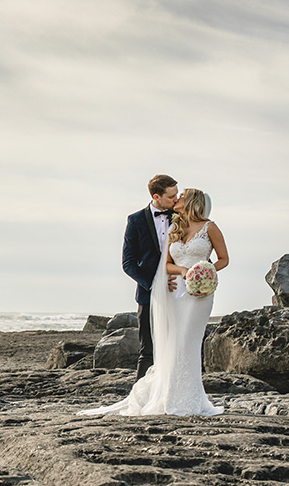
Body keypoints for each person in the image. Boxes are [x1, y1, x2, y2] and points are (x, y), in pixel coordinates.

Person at [82, 186, 229, 417]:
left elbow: (223, 259)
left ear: (192, 201)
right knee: (172, 344)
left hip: (199, 294)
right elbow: (166, 264)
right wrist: (181, 270)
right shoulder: (175, 226)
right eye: (174, 195)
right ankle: (169, 396)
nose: (177, 199)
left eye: (181, 196)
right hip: (175, 293)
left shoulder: (210, 227)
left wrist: (205, 271)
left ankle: (188, 400)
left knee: (187, 343)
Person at [121, 175, 180, 380]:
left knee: (179, 347)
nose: (176, 199)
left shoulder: (182, 216)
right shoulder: (136, 220)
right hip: (149, 295)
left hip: (180, 291)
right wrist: (156, 283)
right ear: (156, 196)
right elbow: (128, 263)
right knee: (147, 351)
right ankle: (141, 401)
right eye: (171, 196)